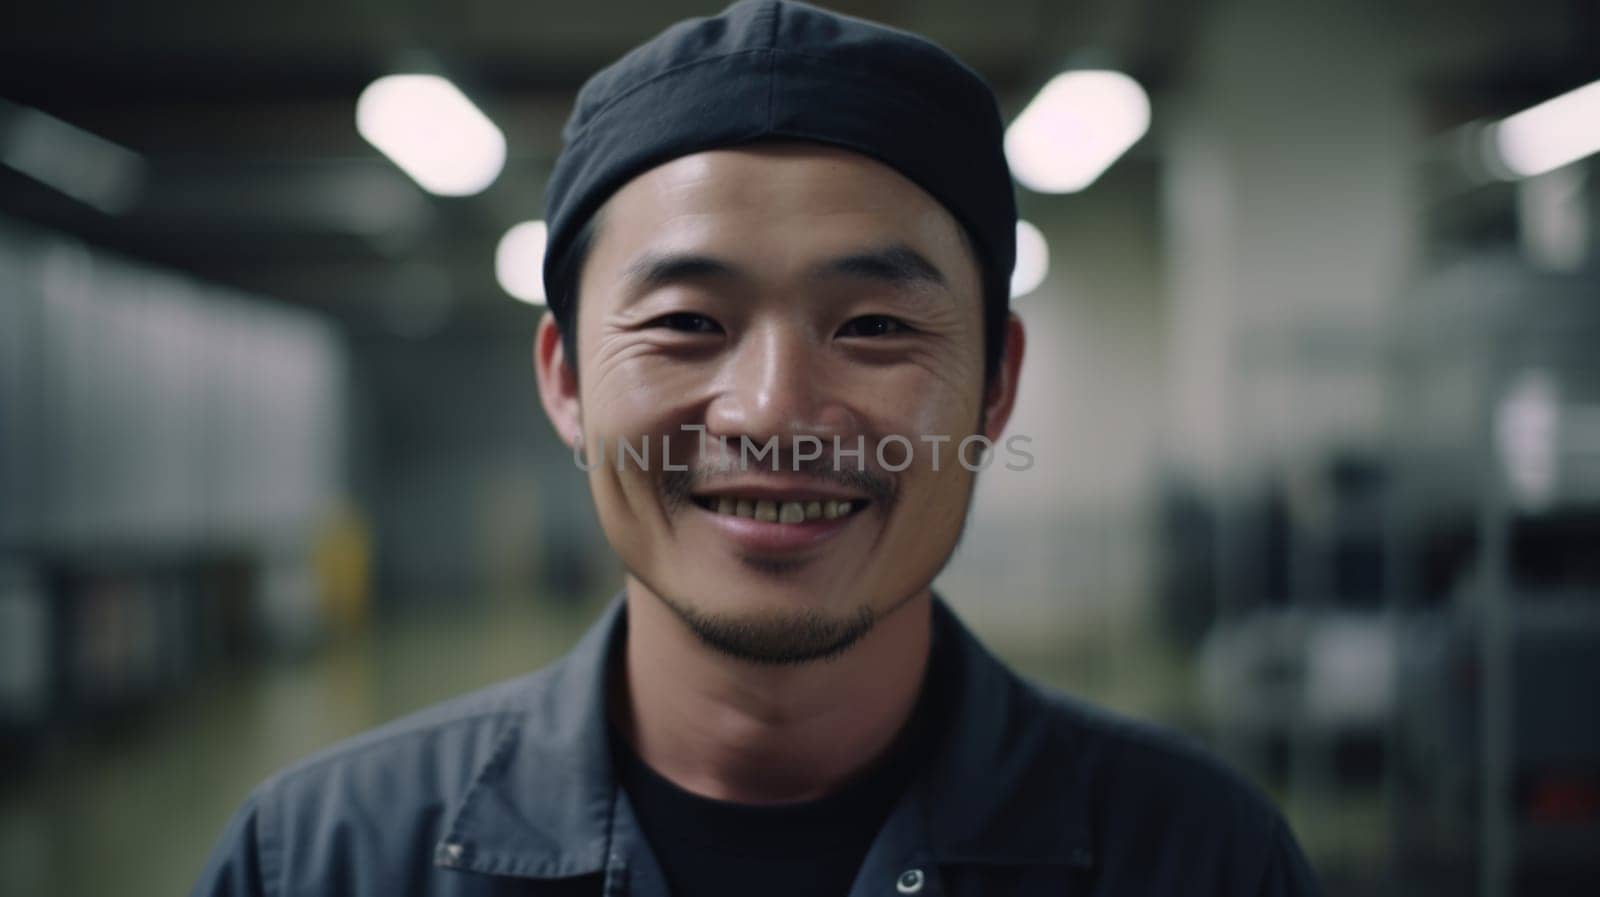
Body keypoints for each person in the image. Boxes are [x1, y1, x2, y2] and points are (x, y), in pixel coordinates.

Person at [193, 1, 1323, 894]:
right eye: (688, 323)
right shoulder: (321, 861)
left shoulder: (1202, 859)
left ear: (995, 385)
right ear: (568, 382)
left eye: (874, 327)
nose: (774, 410)